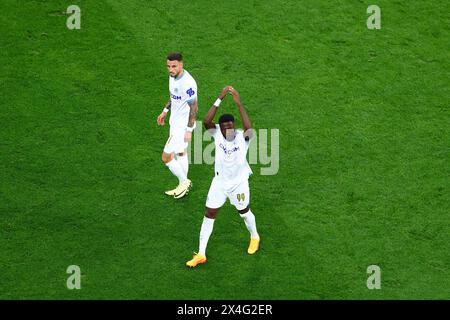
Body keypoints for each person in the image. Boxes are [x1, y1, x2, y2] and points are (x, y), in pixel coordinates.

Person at [186, 86, 260, 268]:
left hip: (238, 183)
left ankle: (254, 236)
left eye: (231, 126)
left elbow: (249, 127)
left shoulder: (244, 137)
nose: (228, 130)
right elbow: (207, 121)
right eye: (225, 127)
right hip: (219, 183)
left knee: (243, 212)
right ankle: (201, 253)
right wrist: (219, 98)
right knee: (209, 214)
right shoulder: (216, 132)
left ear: (234, 126)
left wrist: (238, 103)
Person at [157, 52, 198, 199]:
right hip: (175, 122)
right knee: (181, 152)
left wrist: (188, 130)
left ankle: (184, 182)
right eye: (168, 66)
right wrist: (165, 110)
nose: (170, 69)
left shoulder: (188, 83)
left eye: (174, 66)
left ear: (181, 64)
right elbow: (173, 95)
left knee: (166, 157)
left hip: (182, 127)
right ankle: (183, 185)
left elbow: (194, 107)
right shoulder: (173, 76)